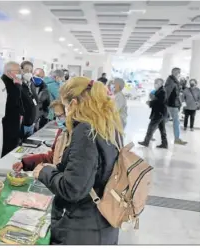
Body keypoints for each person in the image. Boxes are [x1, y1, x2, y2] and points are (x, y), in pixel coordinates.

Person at [33, 77, 122, 245]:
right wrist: (58, 168)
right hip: (101, 223)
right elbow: (89, 169)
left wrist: (45, 172)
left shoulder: (85, 131)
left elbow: (73, 188)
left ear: (73, 103)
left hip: (81, 228)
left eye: (66, 106)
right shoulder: (107, 125)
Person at [12, 100, 68, 171]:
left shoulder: (77, 138)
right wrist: (25, 163)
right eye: (55, 117)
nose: (57, 121)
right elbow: (52, 157)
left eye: (60, 116)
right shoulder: (62, 131)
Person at [1, 61, 24, 156]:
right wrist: (18, 86)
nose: (20, 73)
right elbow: (14, 101)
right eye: (18, 71)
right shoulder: (5, 83)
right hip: (7, 124)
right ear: (9, 72)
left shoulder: (13, 82)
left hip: (13, 123)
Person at [138, 78, 168, 149]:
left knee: (151, 127)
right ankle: (164, 143)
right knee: (162, 129)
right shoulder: (160, 91)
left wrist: (150, 103)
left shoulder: (162, 91)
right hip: (162, 113)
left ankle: (146, 142)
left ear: (160, 84)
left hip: (159, 113)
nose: (155, 84)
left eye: (156, 83)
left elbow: (159, 102)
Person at [164, 67, 187, 145]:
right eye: (178, 72)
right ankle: (177, 139)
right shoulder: (171, 80)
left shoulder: (174, 80)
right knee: (176, 121)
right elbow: (168, 92)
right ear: (174, 72)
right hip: (172, 104)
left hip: (173, 104)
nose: (179, 74)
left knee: (165, 120)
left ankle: (149, 134)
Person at [20, 61, 38, 138]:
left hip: (32, 122)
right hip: (23, 123)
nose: (29, 73)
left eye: (31, 71)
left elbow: (35, 101)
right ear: (21, 70)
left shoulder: (31, 83)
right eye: (26, 70)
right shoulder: (18, 85)